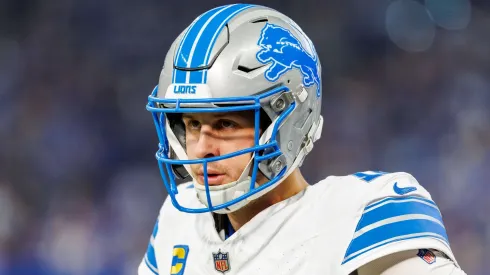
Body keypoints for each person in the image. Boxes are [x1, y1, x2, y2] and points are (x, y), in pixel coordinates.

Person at [138, 4, 466, 275]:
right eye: (192, 124)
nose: (201, 148)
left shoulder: (359, 218)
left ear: (288, 120)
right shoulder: (179, 221)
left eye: (225, 124)